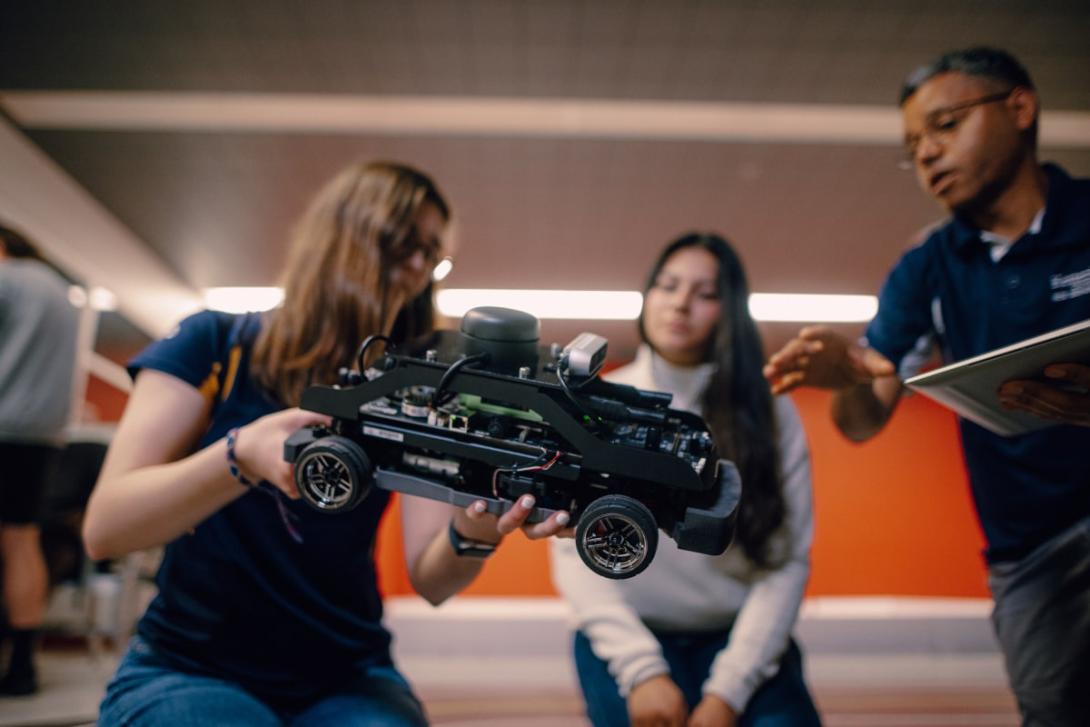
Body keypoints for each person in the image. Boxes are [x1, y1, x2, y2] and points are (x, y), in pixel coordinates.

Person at [83, 161, 572, 726]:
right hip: (192, 664)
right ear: (343, 233)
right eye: (401, 242)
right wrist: (238, 455)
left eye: (432, 253)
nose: (416, 267)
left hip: (347, 673)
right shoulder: (215, 344)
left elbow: (431, 579)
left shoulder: (416, 385)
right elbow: (104, 530)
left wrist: (475, 531)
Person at [764, 47, 1090, 725]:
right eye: (913, 145)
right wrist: (846, 378)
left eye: (945, 125)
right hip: (1029, 549)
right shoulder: (926, 268)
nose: (927, 155)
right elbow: (862, 419)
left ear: (1020, 108)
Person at [551, 233, 822, 727]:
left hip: (740, 635)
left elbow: (787, 562)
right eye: (668, 285)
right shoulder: (599, 406)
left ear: (730, 311)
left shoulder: (771, 411)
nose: (680, 303)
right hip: (630, 637)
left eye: (705, 293)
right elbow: (574, 558)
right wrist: (642, 672)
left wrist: (728, 694)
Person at [0, 225, 80, 696]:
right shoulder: (61, 292)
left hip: (3, 423)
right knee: (22, 540)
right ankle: (24, 664)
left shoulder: (8, 281)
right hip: (42, 436)